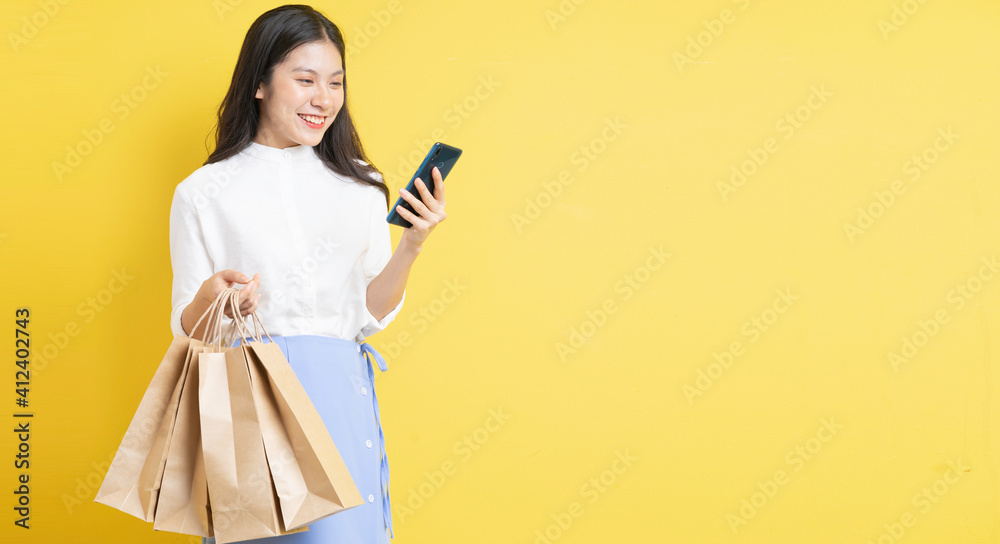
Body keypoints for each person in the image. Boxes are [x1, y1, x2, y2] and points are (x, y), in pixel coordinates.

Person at [168, 5, 446, 543]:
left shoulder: (361, 185)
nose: (324, 98)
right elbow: (188, 329)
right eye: (305, 79)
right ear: (259, 85)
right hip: (252, 401)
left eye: (336, 82)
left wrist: (411, 245)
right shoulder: (202, 193)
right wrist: (216, 300)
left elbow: (370, 312)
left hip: (341, 397)